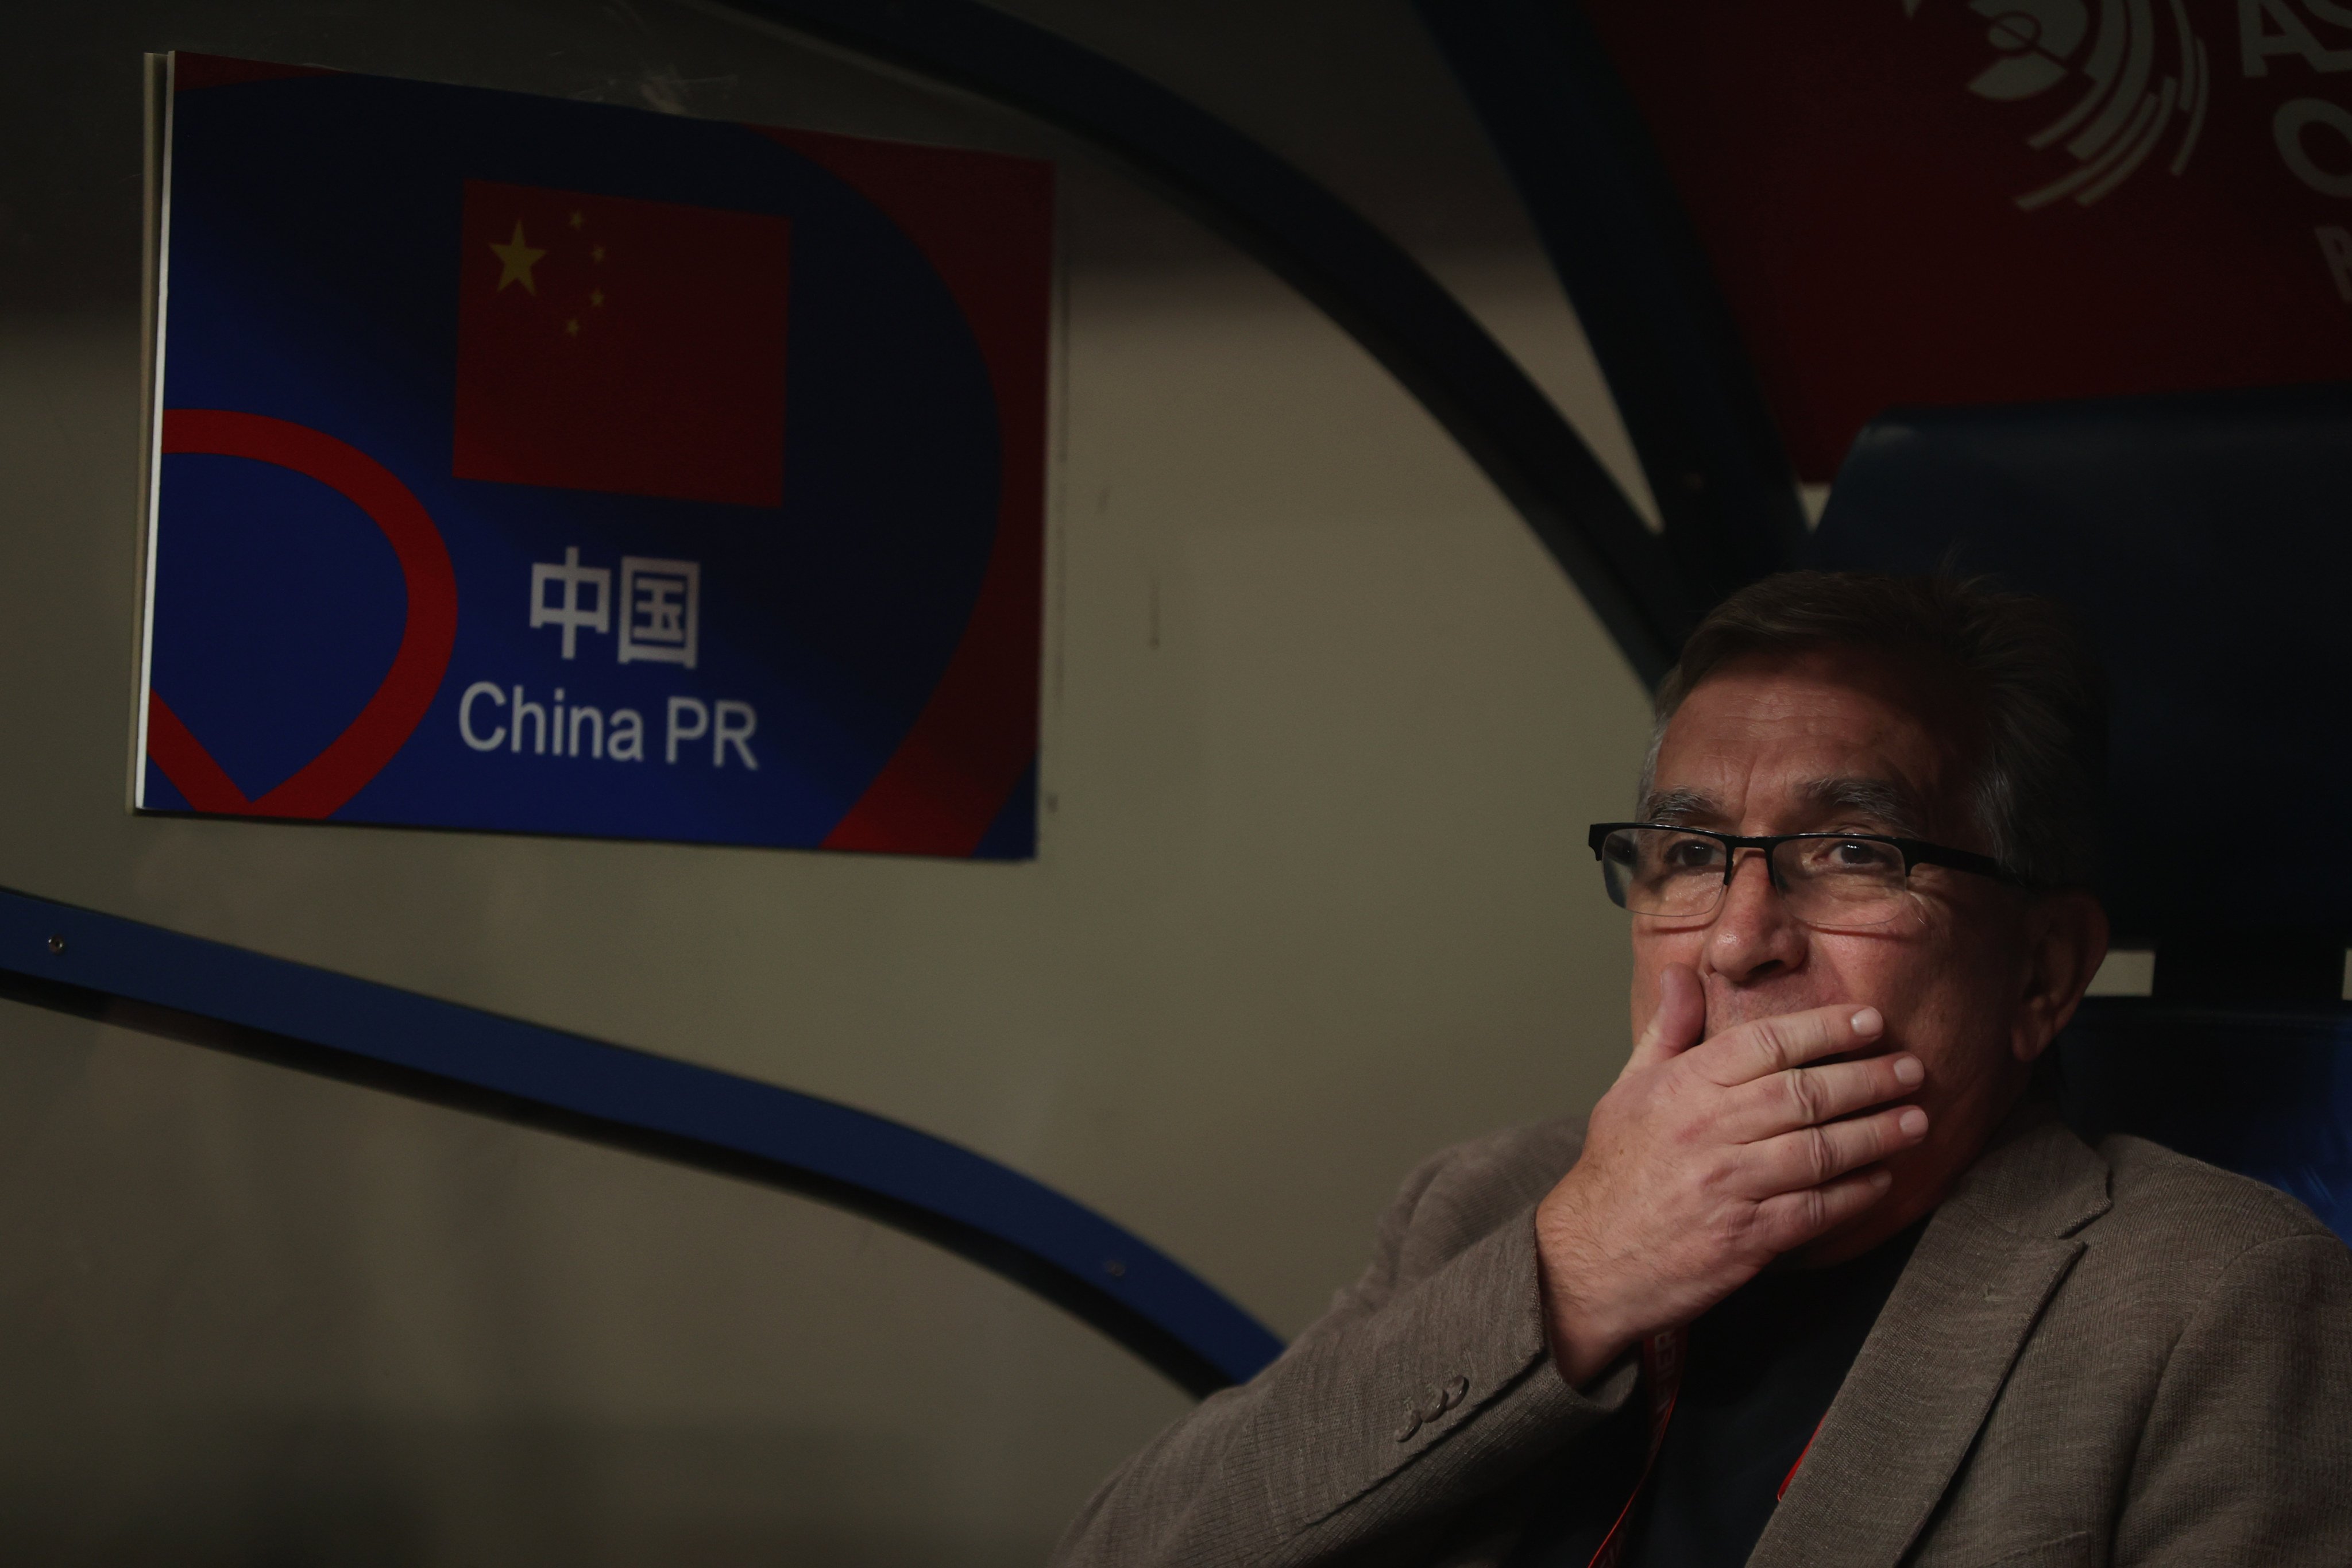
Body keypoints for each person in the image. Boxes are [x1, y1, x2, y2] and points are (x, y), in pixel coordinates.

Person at [1052, 571, 2352, 1567]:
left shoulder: (2210, 1300)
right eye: (1684, 857)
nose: (1737, 939)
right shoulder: (1488, 1203)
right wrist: (1569, 1275)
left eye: (1853, 854)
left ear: (2040, 975)